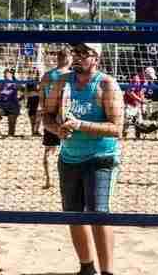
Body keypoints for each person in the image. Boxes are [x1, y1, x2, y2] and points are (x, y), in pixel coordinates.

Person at [43, 43, 123, 275]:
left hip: (101, 158)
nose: (76, 57)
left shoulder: (106, 84)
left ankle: (107, 271)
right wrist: (57, 130)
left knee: (98, 213)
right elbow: (46, 116)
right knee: (73, 213)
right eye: (75, 53)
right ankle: (87, 268)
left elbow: (117, 128)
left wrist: (80, 124)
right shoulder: (62, 82)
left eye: (83, 53)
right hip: (69, 157)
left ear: (96, 58)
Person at [39, 47, 73, 189]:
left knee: (49, 151)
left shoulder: (47, 76)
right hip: (66, 115)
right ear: (68, 59)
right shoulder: (71, 75)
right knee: (70, 150)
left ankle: (49, 180)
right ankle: (66, 180)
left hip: (50, 115)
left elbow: (41, 98)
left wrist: (45, 113)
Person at [123, 66, 157, 139]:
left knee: (139, 122)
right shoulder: (136, 79)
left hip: (136, 104)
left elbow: (141, 94)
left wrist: (142, 106)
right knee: (127, 122)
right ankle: (123, 137)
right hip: (128, 103)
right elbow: (129, 92)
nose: (151, 79)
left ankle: (138, 138)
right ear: (145, 74)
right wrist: (141, 101)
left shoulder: (146, 82)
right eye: (150, 77)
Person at [0, 68, 21, 137]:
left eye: (8, 72)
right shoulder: (1, 82)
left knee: (11, 121)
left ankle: (10, 134)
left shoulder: (16, 82)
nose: (6, 74)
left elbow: (22, 90)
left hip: (13, 103)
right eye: (5, 72)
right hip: (3, 103)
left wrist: (20, 98)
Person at [25, 67, 42, 137]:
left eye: (34, 72)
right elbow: (26, 92)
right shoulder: (28, 81)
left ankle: (36, 130)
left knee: (38, 116)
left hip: (38, 99)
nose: (32, 73)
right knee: (32, 116)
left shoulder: (39, 80)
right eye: (31, 72)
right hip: (31, 99)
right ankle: (33, 131)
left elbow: (41, 91)